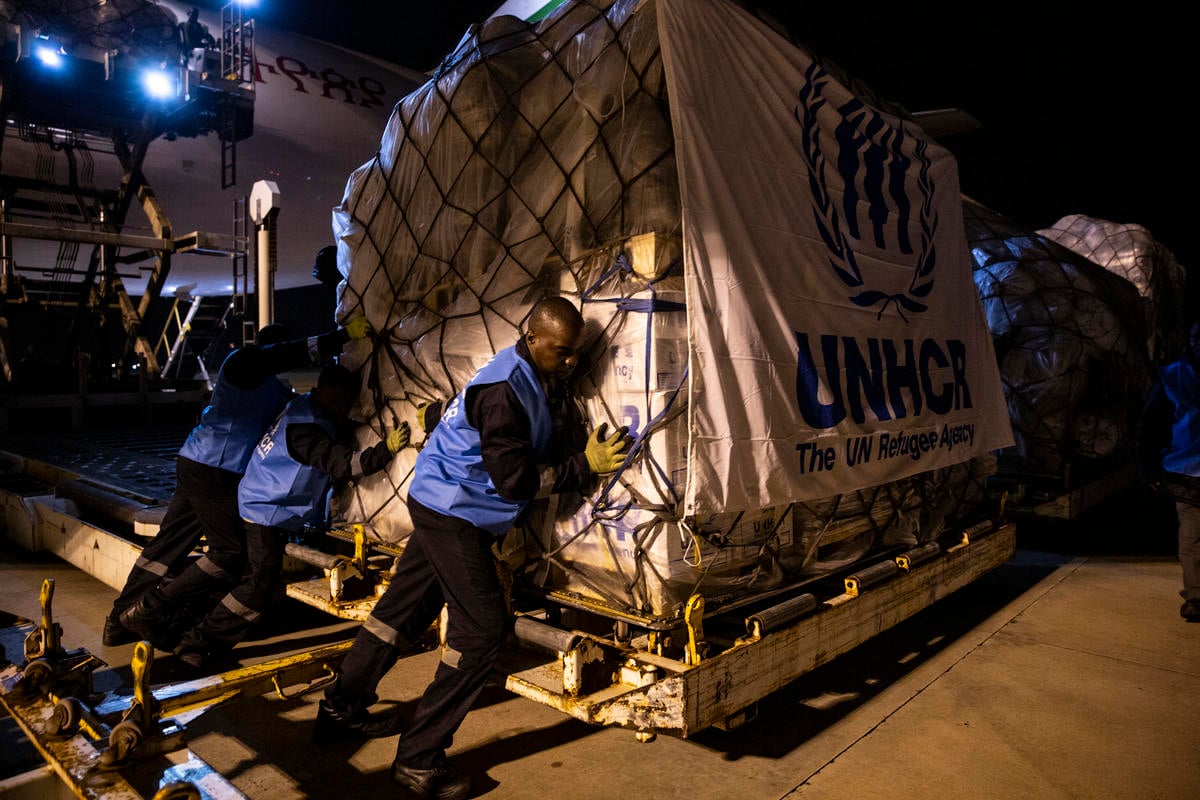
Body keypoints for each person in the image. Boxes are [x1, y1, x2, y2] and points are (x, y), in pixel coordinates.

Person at [315, 297, 631, 800]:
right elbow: (514, 482)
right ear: (532, 339)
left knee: (399, 613)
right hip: (456, 513)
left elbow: (500, 427)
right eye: (562, 351)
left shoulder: (518, 371)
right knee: (482, 631)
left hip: (437, 499)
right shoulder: (507, 390)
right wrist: (584, 466)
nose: (572, 361)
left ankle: (339, 708)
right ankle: (419, 758)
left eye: (576, 352)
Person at [124, 363, 411, 670]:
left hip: (261, 501)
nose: (344, 407)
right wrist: (386, 449)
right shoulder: (306, 430)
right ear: (327, 393)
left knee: (249, 576)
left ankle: (170, 620)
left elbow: (335, 432)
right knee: (259, 584)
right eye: (342, 401)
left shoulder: (305, 407)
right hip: (266, 509)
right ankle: (195, 641)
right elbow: (343, 464)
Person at [104, 319, 371, 648]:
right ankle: (150, 611)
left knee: (165, 547)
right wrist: (339, 338)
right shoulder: (243, 363)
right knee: (230, 553)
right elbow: (282, 357)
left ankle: (120, 621)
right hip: (215, 472)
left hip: (198, 462)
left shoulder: (276, 390)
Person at [1137, 320, 1200, 622]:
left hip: (1186, 470)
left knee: (1192, 539)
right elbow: (1151, 425)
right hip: (1187, 474)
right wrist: (1148, 467)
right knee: (1192, 538)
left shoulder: (1175, 375)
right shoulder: (1174, 376)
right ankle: (1197, 597)